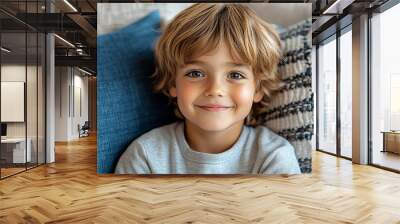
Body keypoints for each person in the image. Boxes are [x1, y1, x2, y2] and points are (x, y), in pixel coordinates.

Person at [115, 3, 301, 174]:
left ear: (257, 88)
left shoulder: (274, 157)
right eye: (196, 73)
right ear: (173, 83)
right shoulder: (145, 155)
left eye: (235, 75)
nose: (215, 89)